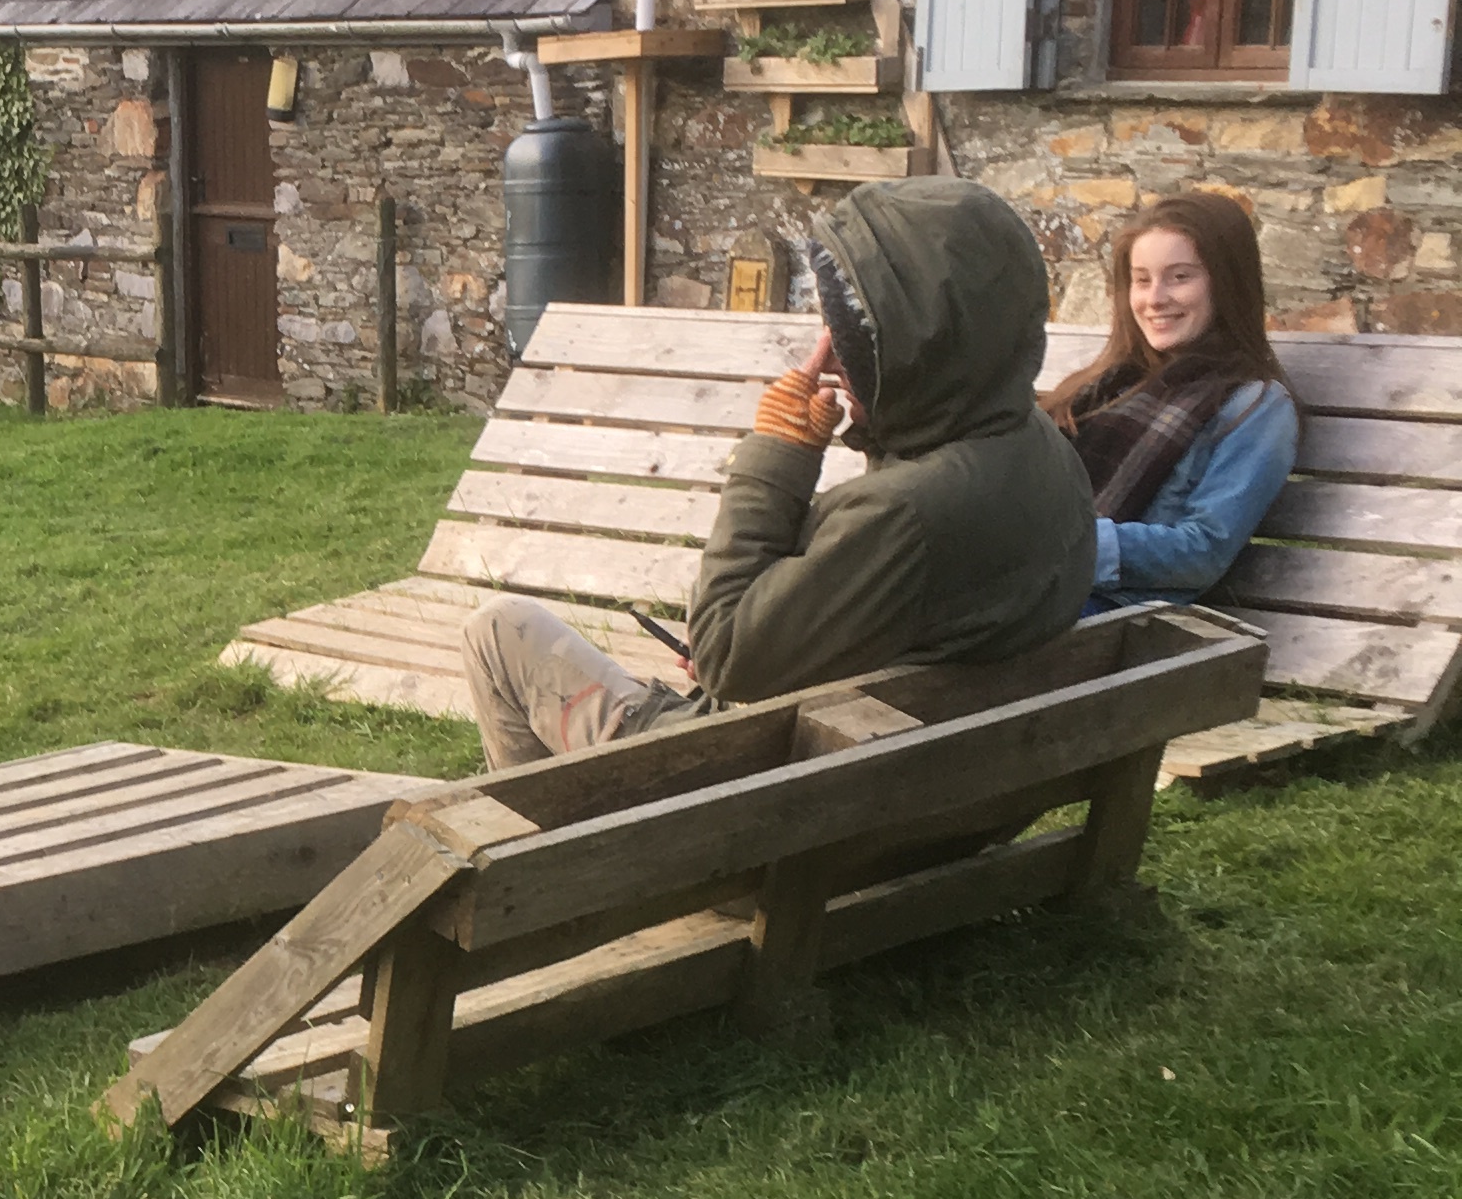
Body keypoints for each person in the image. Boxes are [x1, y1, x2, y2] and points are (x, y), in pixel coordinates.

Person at [463, 174, 1097, 769]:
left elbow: (722, 653)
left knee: (497, 633)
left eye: (855, 333)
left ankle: (543, 841)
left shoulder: (906, 515)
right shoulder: (1042, 454)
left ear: (920, 348)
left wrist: (780, 449)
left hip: (757, 801)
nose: (831, 356)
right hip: (927, 797)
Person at [1041, 189, 1296, 608]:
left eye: (1180, 277)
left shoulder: (1256, 406)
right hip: (1033, 590)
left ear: (1227, 284)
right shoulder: (1107, 383)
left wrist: (1058, 544)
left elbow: (1203, 552)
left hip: (1115, 616)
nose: (1155, 299)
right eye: (1142, 280)